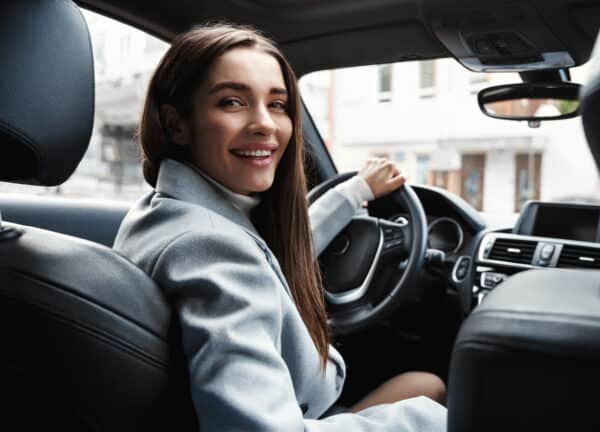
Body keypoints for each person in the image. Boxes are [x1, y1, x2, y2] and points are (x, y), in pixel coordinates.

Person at [113, 23, 447, 431]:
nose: (265, 125)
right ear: (177, 123)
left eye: (277, 104)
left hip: (297, 399)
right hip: (301, 412)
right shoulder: (212, 250)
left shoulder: (165, 212)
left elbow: (283, 245)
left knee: (424, 384)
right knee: (432, 400)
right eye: (233, 102)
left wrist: (356, 190)